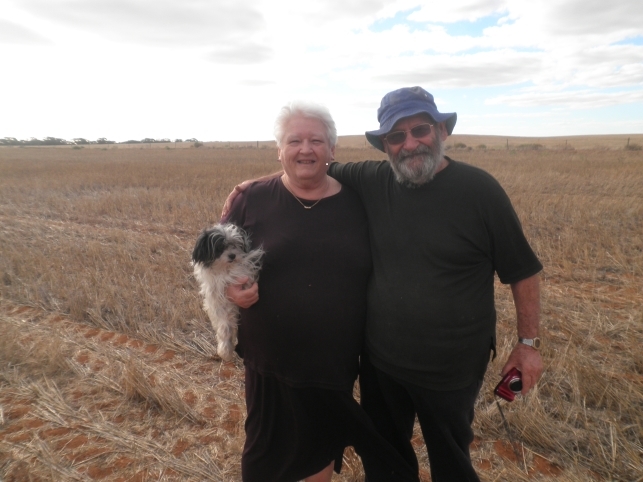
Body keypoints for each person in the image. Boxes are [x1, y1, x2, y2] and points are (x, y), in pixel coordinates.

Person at [223, 87, 544, 482]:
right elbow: (308, 168)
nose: (410, 144)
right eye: (396, 136)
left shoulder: (480, 192)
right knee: (386, 461)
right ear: (385, 145)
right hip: (381, 364)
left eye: (420, 130)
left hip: (450, 367)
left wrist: (528, 345)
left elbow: (523, 270)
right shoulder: (374, 180)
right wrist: (255, 184)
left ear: (441, 130)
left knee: (451, 460)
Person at [222, 101, 416, 482]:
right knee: (263, 459)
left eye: (316, 140)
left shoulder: (360, 201)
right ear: (279, 150)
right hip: (269, 364)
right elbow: (216, 263)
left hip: (332, 365)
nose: (305, 149)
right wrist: (229, 290)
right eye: (294, 140)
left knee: (317, 458)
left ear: (332, 150)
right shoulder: (251, 199)